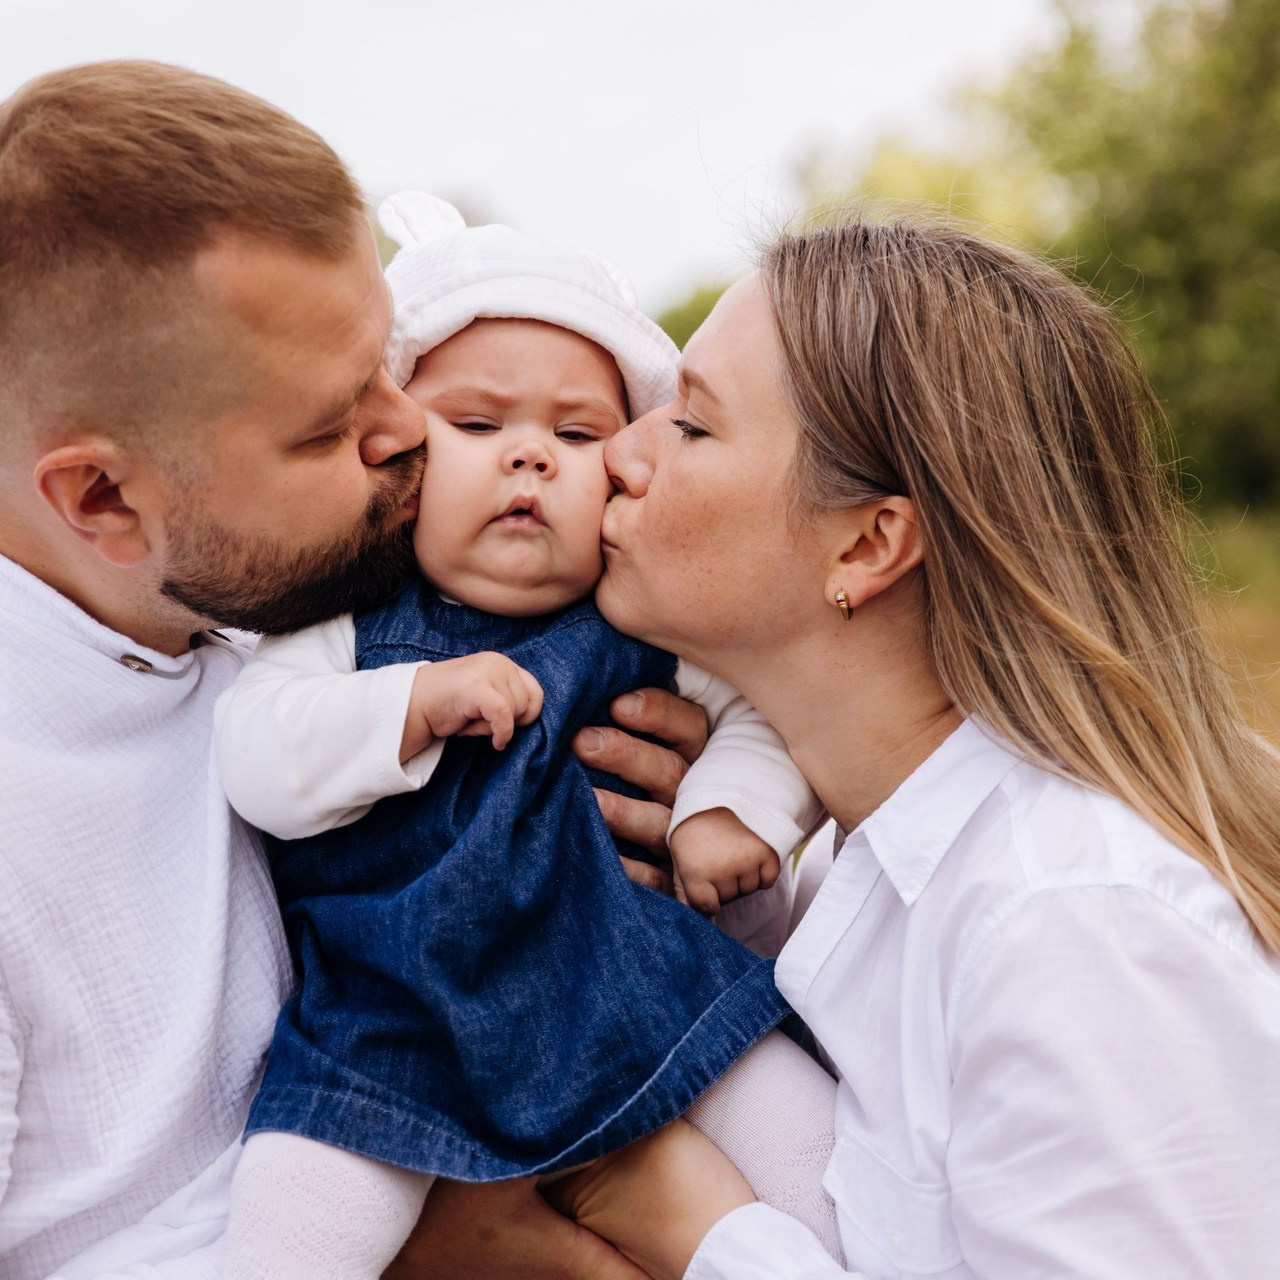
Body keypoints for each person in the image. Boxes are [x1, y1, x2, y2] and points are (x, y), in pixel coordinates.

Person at [0, 60, 708, 1280]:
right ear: (104, 497)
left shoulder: (282, 611)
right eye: (330, 425)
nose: (406, 429)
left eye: (392, 363)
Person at [498, 216, 1280, 1278]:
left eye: (690, 425)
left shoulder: (1068, 920)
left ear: (867, 544)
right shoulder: (845, 864)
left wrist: (691, 1232)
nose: (619, 455)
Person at [214, 192, 839, 1278]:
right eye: (476, 423)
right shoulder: (342, 620)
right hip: (391, 1030)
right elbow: (257, 756)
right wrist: (404, 705)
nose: (529, 458)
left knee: (825, 1168)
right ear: (399, 455)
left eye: (575, 433)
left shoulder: (642, 613)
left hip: (642, 986)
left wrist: (727, 809)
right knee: (286, 1235)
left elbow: (751, 719)